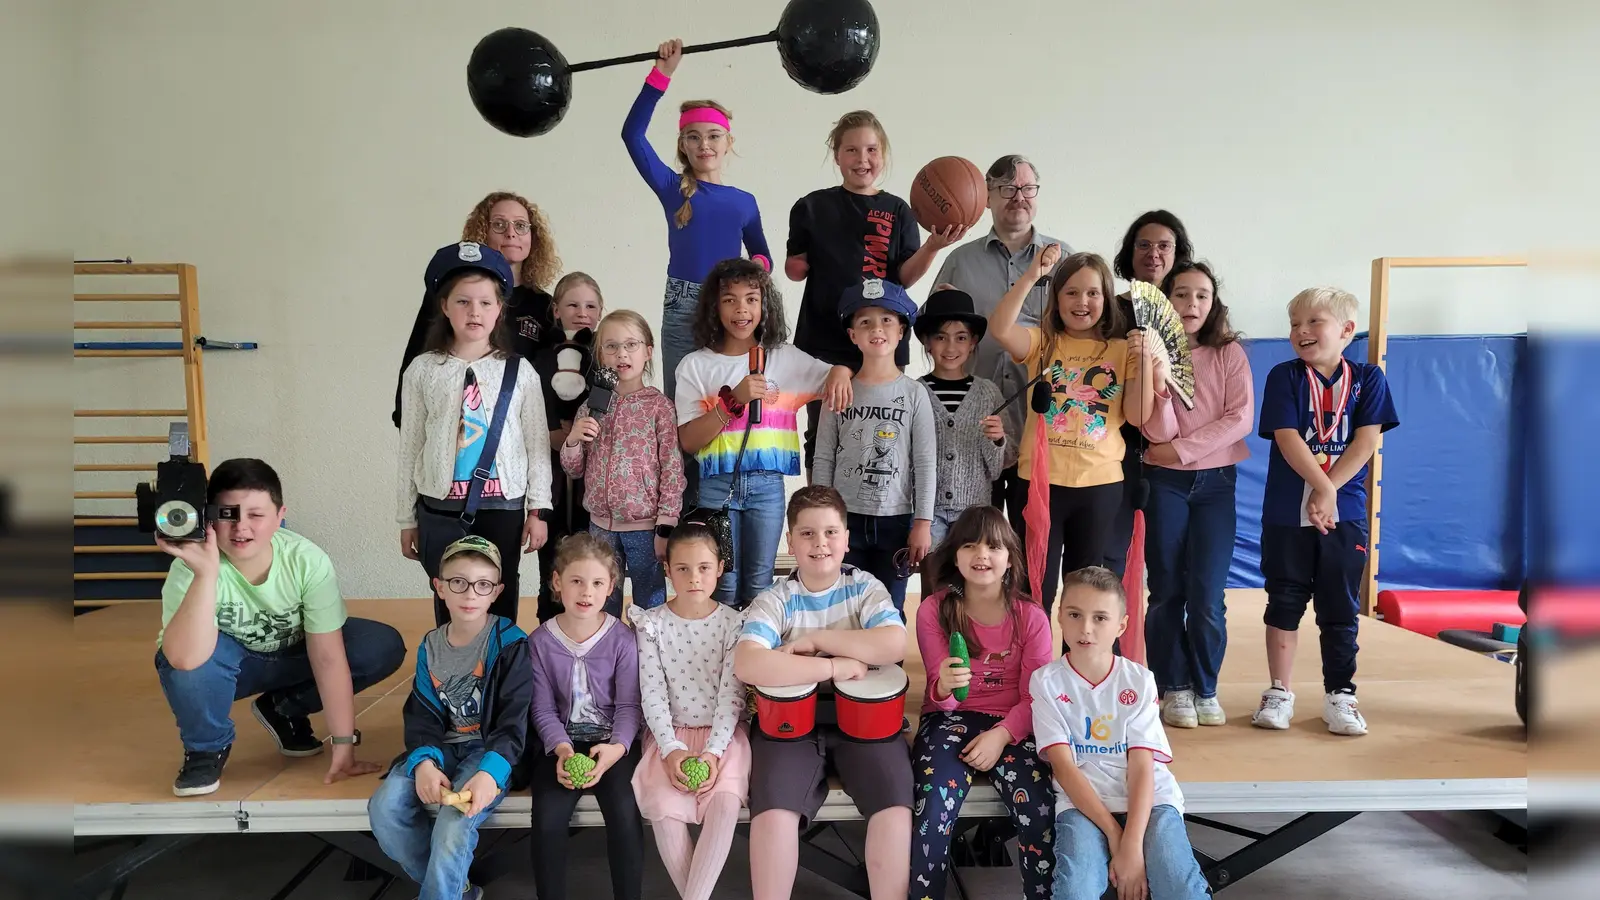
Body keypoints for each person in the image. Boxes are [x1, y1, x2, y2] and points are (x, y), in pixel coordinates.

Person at [154, 458, 404, 797]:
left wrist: (343, 744)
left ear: (280, 515)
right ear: (209, 515)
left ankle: (285, 707)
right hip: (231, 668)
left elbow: (328, 657)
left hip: (290, 655)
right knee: (176, 658)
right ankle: (205, 748)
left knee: (378, 644)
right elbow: (184, 660)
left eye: (256, 515)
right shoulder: (190, 568)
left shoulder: (305, 560)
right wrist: (205, 574)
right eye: (228, 515)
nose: (242, 528)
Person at [733, 486, 911, 900]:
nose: (821, 544)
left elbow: (893, 644)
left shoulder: (865, 588)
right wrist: (833, 667)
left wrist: (816, 640)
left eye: (831, 532)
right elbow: (749, 663)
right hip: (789, 724)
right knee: (773, 814)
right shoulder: (776, 598)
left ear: (847, 539)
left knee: (894, 808)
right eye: (808, 534)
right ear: (790, 541)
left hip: (865, 722)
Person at [1253, 287, 1399, 736]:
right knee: (1284, 601)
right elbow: (1287, 436)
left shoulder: (1369, 378)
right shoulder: (1285, 376)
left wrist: (1330, 491)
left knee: (1339, 606)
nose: (1301, 331)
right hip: (1286, 510)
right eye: (1295, 323)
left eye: (1314, 322)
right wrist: (1320, 486)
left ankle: (1341, 693)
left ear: (1347, 330)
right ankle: (1279, 692)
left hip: (1344, 511)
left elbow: (1366, 440)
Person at [785, 110, 962, 474]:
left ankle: (876, 512)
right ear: (836, 155)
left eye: (871, 150)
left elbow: (904, 277)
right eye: (851, 150)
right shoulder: (811, 207)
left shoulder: (899, 210)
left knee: (881, 435)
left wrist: (931, 247)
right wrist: (796, 264)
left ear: (883, 153)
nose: (862, 159)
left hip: (882, 342)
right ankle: (823, 518)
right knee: (825, 436)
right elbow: (794, 269)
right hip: (824, 344)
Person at [987, 245, 1160, 614]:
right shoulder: (1044, 343)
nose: (1082, 301)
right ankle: (1033, 667)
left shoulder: (1121, 349)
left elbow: (1137, 415)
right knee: (1034, 586)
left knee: (1084, 594)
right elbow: (999, 327)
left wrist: (1144, 362)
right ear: (1057, 297)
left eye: (1093, 293)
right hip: (1038, 486)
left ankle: (1075, 670)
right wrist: (1033, 274)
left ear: (1106, 299)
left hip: (1099, 488)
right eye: (1072, 292)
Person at [674, 258, 852, 607]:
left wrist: (842, 370)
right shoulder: (695, 365)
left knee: (759, 582)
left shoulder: (785, 358)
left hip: (767, 487)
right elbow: (689, 440)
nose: (741, 309)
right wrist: (731, 402)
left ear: (764, 304)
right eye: (730, 299)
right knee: (721, 581)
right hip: (717, 486)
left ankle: (753, 658)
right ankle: (721, 659)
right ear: (714, 307)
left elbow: (832, 377)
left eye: (751, 298)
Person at [1031, 567, 1210, 900]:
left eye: (1100, 618)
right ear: (1059, 616)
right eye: (1075, 615)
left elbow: (1142, 767)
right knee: (1075, 891)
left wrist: (1133, 844)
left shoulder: (1139, 680)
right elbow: (1065, 769)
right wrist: (1117, 837)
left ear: (1122, 625)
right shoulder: (1045, 682)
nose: (1085, 629)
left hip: (1150, 801)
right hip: (1083, 803)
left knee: (1179, 887)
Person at [397, 242, 552, 625]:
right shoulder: (421, 371)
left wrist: (538, 509)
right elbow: (410, 446)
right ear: (444, 307)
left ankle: (500, 673)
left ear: (499, 309)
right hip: (440, 506)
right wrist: (406, 518)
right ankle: (452, 675)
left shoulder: (520, 372)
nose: (474, 312)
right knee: (450, 596)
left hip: (503, 506)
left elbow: (536, 445)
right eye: (463, 302)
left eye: (485, 302)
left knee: (499, 591)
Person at [367, 536, 531, 900]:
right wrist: (424, 762)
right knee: (384, 807)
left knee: (453, 824)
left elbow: (515, 719)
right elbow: (423, 715)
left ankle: (446, 891)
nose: (470, 594)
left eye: (482, 585)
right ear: (439, 587)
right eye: (458, 582)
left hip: (488, 752)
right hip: (442, 748)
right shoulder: (431, 646)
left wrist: (491, 772)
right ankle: (457, 889)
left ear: (496, 592)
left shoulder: (510, 643)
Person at [912, 506, 1054, 900]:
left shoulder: (1031, 617)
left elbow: (1034, 698)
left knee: (1039, 809)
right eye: (971, 545)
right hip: (949, 720)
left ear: (1010, 557)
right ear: (955, 555)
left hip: (1013, 724)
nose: (982, 555)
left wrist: (1001, 735)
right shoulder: (933, 610)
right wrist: (944, 687)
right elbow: (941, 701)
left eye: (994, 546)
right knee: (932, 809)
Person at [625, 38, 773, 406]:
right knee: (683, 404)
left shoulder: (744, 201)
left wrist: (751, 280)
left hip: (729, 305)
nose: (704, 144)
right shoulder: (673, 188)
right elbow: (632, 135)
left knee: (730, 398)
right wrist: (661, 75)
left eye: (713, 136)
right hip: (683, 305)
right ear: (683, 145)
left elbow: (762, 255)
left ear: (727, 142)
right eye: (694, 137)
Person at [929, 155, 1072, 529]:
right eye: (1007, 189)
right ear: (986, 196)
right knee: (975, 544)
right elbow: (934, 332)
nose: (1018, 197)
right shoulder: (959, 262)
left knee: (1032, 547)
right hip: (976, 434)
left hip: (1039, 428)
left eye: (1027, 188)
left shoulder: (1064, 260)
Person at [1139, 261, 1253, 730]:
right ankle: (1175, 686)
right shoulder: (1147, 352)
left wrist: (1181, 450)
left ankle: (1206, 686)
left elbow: (1240, 419)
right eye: (1181, 295)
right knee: (1166, 590)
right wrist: (1161, 385)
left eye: (1201, 295)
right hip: (1163, 483)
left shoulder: (1228, 354)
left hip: (1215, 485)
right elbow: (1152, 430)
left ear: (1213, 302)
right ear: (1166, 301)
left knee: (1207, 595)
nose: (1191, 304)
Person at [631, 523, 750, 900]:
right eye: (682, 568)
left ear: (719, 568)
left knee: (725, 803)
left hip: (723, 737)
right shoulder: (651, 625)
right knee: (663, 811)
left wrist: (714, 753)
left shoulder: (734, 624)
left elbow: (731, 697)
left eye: (703, 567)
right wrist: (671, 749)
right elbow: (652, 695)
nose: (693, 578)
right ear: (667, 570)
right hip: (668, 737)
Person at [528, 534, 644, 900]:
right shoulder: (540, 642)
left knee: (625, 815)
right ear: (557, 582)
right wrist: (561, 749)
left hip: (612, 744)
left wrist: (617, 748)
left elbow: (629, 706)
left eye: (596, 583)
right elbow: (542, 709)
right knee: (547, 818)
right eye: (576, 581)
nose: (586, 592)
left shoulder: (623, 639)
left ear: (611, 587)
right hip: (561, 743)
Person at [812, 279, 936, 613]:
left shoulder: (914, 394)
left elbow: (925, 462)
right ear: (852, 335)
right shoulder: (839, 391)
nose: (876, 328)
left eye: (886, 320)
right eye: (865, 321)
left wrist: (923, 522)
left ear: (901, 332)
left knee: (889, 608)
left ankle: (891, 665)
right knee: (845, 606)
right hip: (844, 517)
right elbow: (823, 455)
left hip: (896, 520)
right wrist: (821, 514)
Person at [395, 192, 562, 428]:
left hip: (519, 431)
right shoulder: (450, 294)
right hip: (455, 426)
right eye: (499, 224)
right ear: (483, 233)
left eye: (521, 225)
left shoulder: (545, 305)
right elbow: (418, 354)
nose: (511, 232)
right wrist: (405, 417)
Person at [562, 310, 685, 618]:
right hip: (600, 526)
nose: (622, 354)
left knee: (650, 601)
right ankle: (609, 656)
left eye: (631, 345)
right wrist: (574, 440)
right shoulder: (591, 406)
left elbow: (672, 468)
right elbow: (573, 468)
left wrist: (666, 524)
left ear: (648, 352)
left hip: (644, 528)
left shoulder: (659, 407)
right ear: (600, 354)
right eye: (611, 346)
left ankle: (651, 660)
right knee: (603, 601)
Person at [1104, 210, 1195, 578]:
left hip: (1174, 448)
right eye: (1143, 244)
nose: (1153, 253)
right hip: (1118, 442)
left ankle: (1161, 637)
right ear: (1130, 252)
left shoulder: (1193, 311)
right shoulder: (1110, 308)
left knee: (1168, 563)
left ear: (1178, 253)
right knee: (1112, 553)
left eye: (1164, 245)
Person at [533, 272, 605, 620]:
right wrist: (564, 434)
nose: (581, 312)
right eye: (573, 304)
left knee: (591, 558)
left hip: (593, 480)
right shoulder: (541, 361)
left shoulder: (604, 360)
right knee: (553, 563)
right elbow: (540, 424)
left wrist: (576, 433)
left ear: (600, 312)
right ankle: (549, 631)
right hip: (550, 482)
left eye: (590, 305)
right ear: (556, 310)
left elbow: (605, 424)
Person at [913, 286, 1008, 545]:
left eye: (961, 337)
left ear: (973, 342)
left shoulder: (988, 393)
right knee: (933, 581)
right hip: (926, 512)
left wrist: (997, 441)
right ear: (927, 342)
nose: (951, 346)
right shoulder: (914, 392)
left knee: (969, 581)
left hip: (974, 510)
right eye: (941, 337)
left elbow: (997, 470)